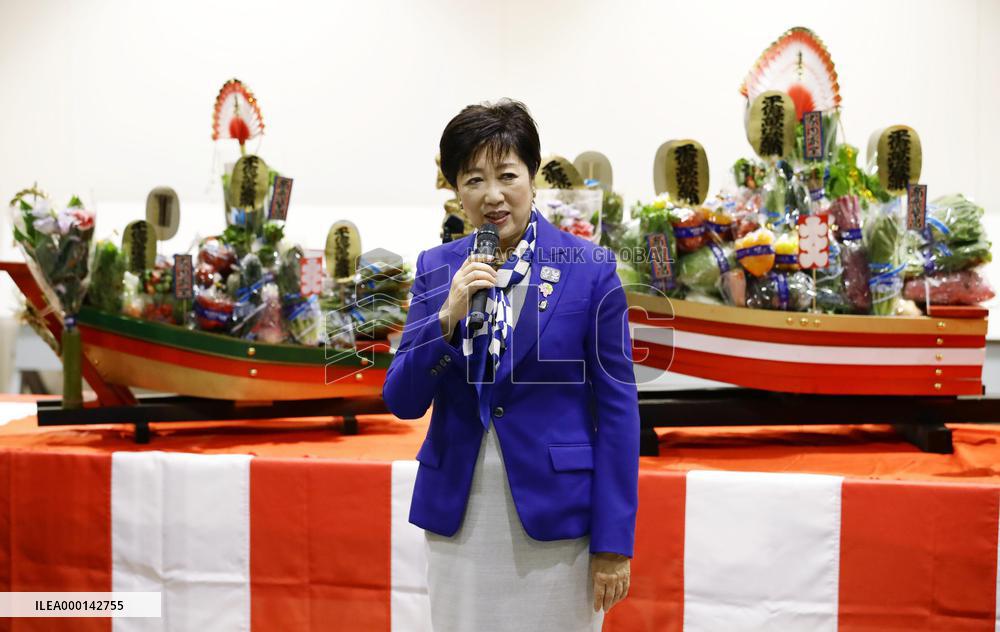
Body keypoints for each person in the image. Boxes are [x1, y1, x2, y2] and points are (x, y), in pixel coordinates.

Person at [382, 99, 639, 632]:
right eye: (473, 179)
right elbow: (403, 400)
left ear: (534, 177)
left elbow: (618, 412)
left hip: (558, 517)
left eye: (507, 175)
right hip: (461, 513)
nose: (493, 196)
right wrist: (446, 320)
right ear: (455, 191)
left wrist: (613, 542)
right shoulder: (437, 268)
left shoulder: (590, 271)